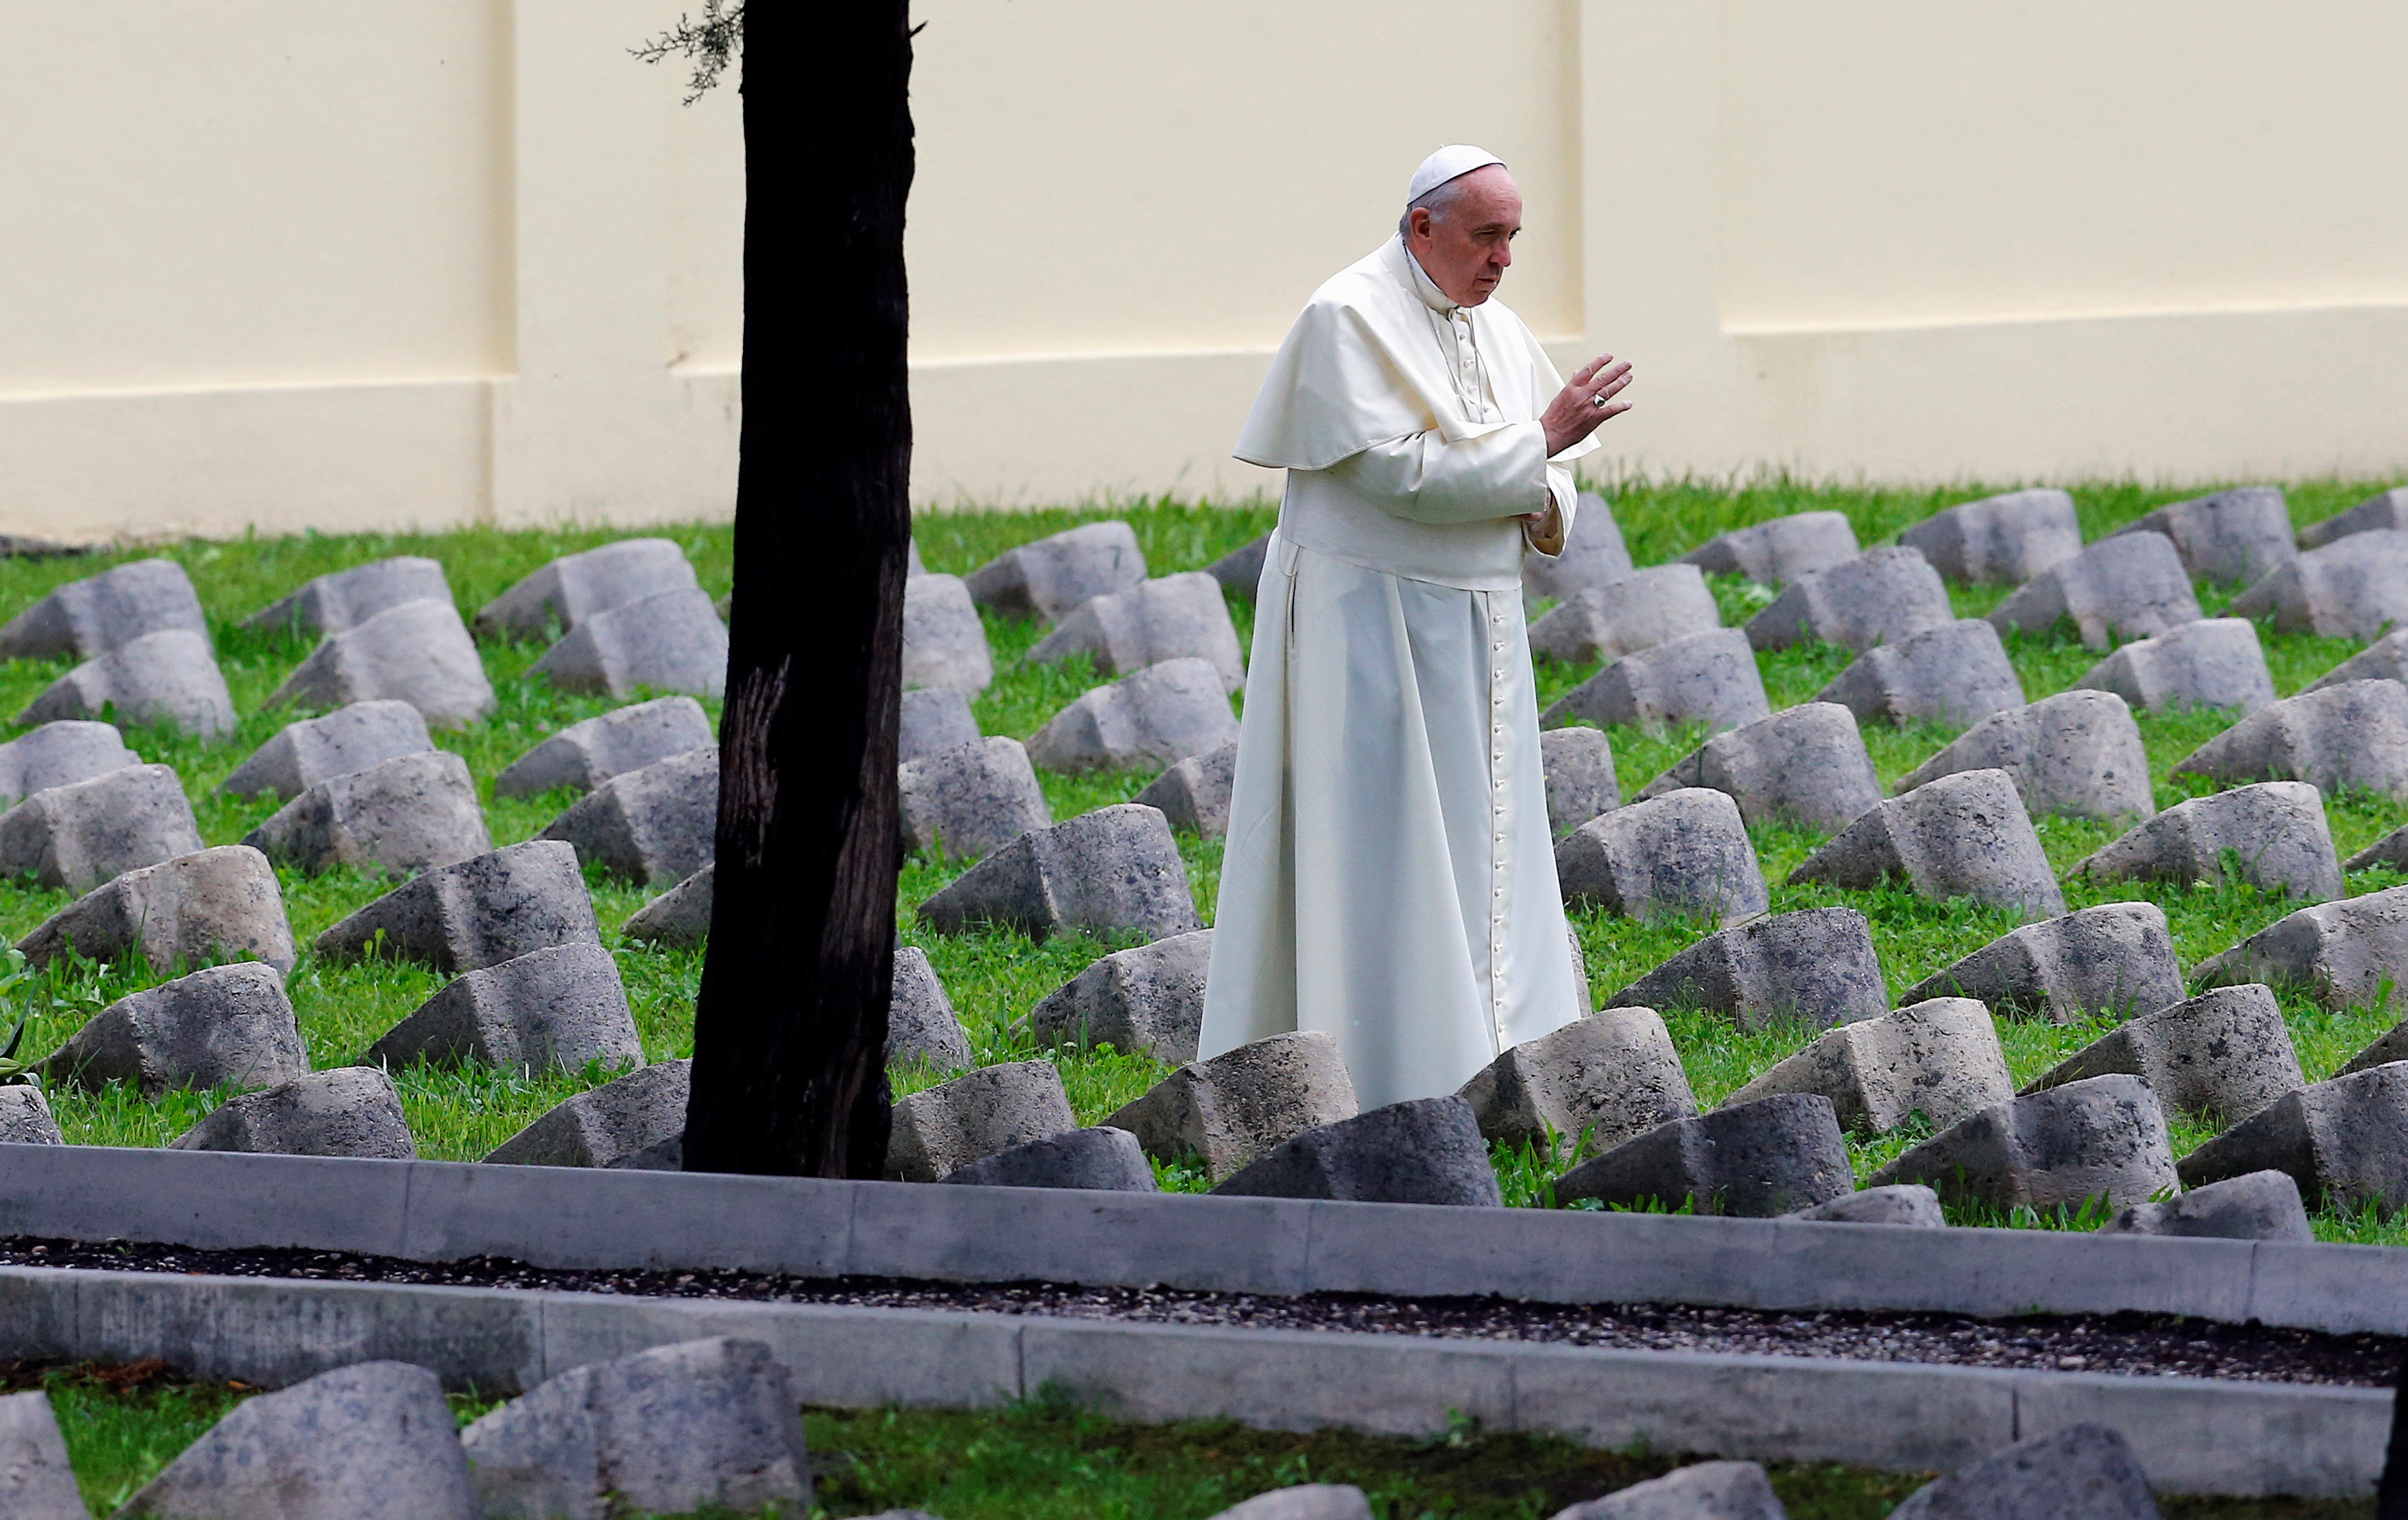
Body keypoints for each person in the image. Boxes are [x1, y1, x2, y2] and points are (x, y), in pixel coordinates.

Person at [1196, 144, 1635, 1109]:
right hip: (1371, 632)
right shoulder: (1344, 318)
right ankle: (1384, 1067)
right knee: (1381, 848)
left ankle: (1499, 1055)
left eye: (1514, 238)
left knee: (1491, 843)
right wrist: (1541, 443)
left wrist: (1544, 464)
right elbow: (1401, 475)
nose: (1504, 260)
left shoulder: (1502, 327)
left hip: (1479, 631)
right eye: (1488, 236)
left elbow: (1556, 472)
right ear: (1422, 227)